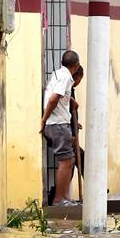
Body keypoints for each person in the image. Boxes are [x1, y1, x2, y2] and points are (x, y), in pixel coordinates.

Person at [40, 49, 81, 205]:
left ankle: (65, 198)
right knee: (66, 161)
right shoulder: (66, 77)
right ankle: (59, 199)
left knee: (69, 159)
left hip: (56, 123)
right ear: (76, 66)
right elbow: (54, 98)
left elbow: (58, 94)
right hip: (57, 124)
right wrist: (44, 119)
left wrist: (70, 100)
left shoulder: (58, 74)